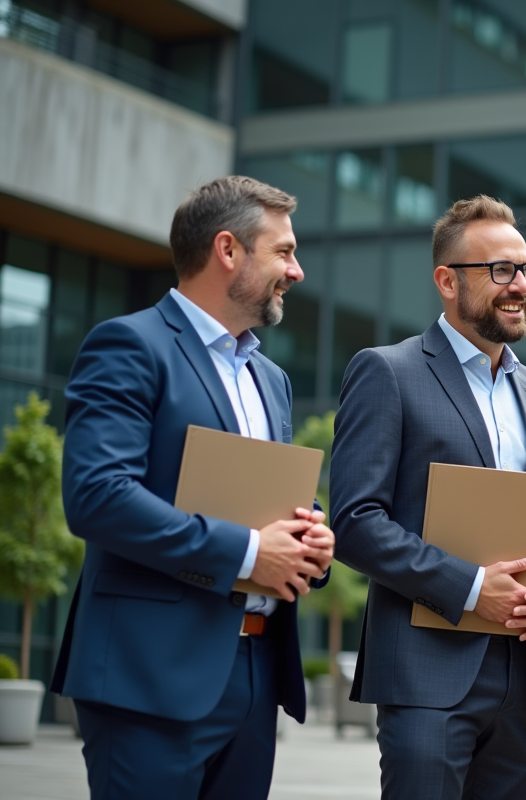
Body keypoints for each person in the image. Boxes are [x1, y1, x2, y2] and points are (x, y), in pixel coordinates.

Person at [51, 176, 335, 800]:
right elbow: (97, 495)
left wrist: (310, 530)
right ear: (228, 250)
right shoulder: (129, 345)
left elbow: (262, 501)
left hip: (256, 676)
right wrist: (250, 552)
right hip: (147, 675)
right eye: (283, 251)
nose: (298, 270)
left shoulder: (273, 379)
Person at [329, 195, 526, 800]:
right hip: (426, 677)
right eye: (501, 270)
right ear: (448, 281)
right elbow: (355, 520)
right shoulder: (387, 372)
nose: (520, 284)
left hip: (523, 680)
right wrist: (472, 587)